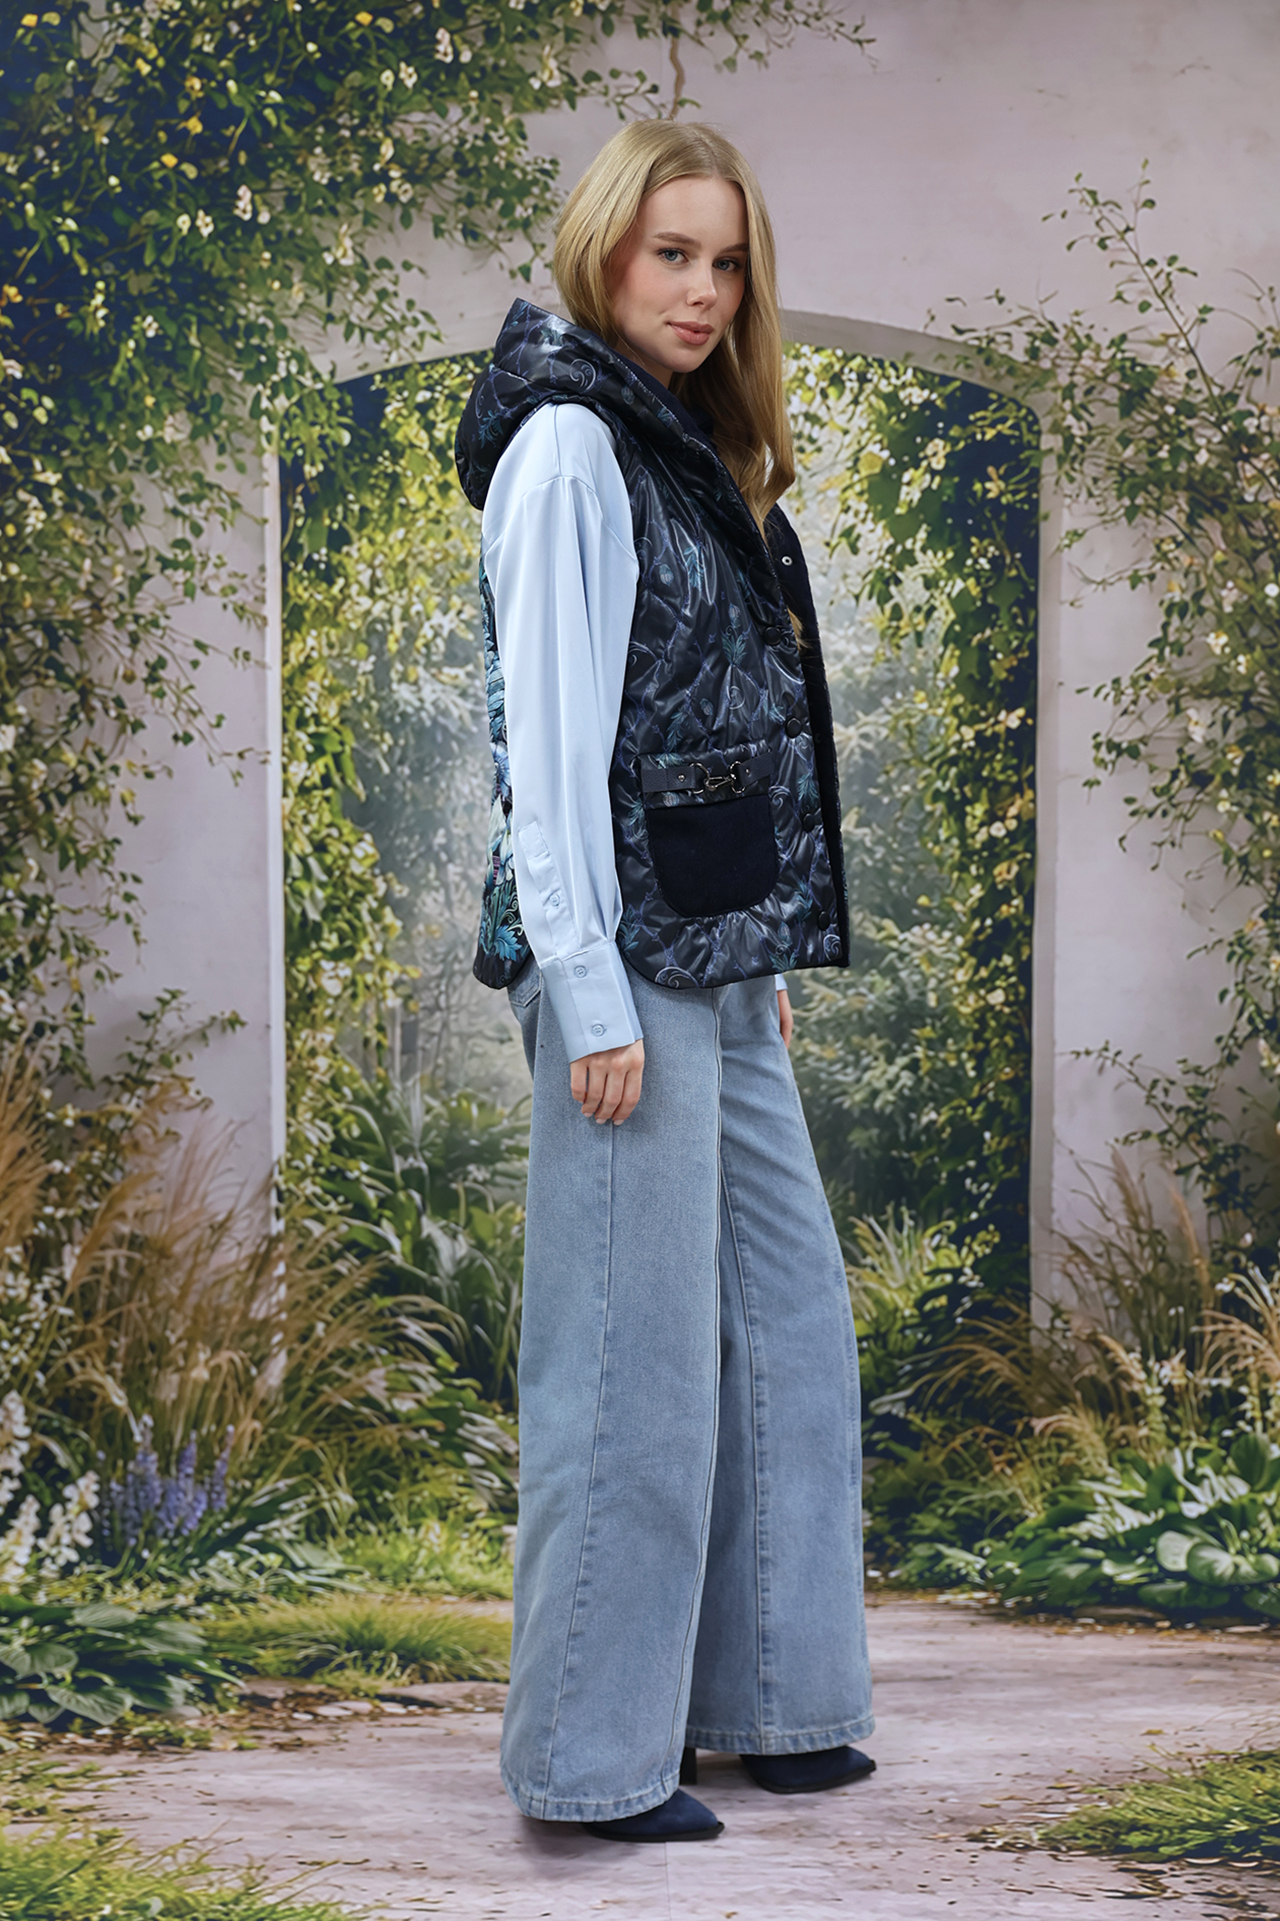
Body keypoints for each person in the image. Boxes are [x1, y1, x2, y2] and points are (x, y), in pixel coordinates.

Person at [454, 119, 873, 1844]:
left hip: (717, 952)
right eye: (671, 253)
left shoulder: (681, 436)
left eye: (727, 261)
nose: (702, 291)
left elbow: (718, 729)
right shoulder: (568, 445)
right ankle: (589, 1758)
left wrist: (752, 943)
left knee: (787, 1322)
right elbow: (549, 753)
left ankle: (772, 1696)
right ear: (605, 248)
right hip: (618, 962)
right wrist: (592, 989)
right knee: (627, 1359)